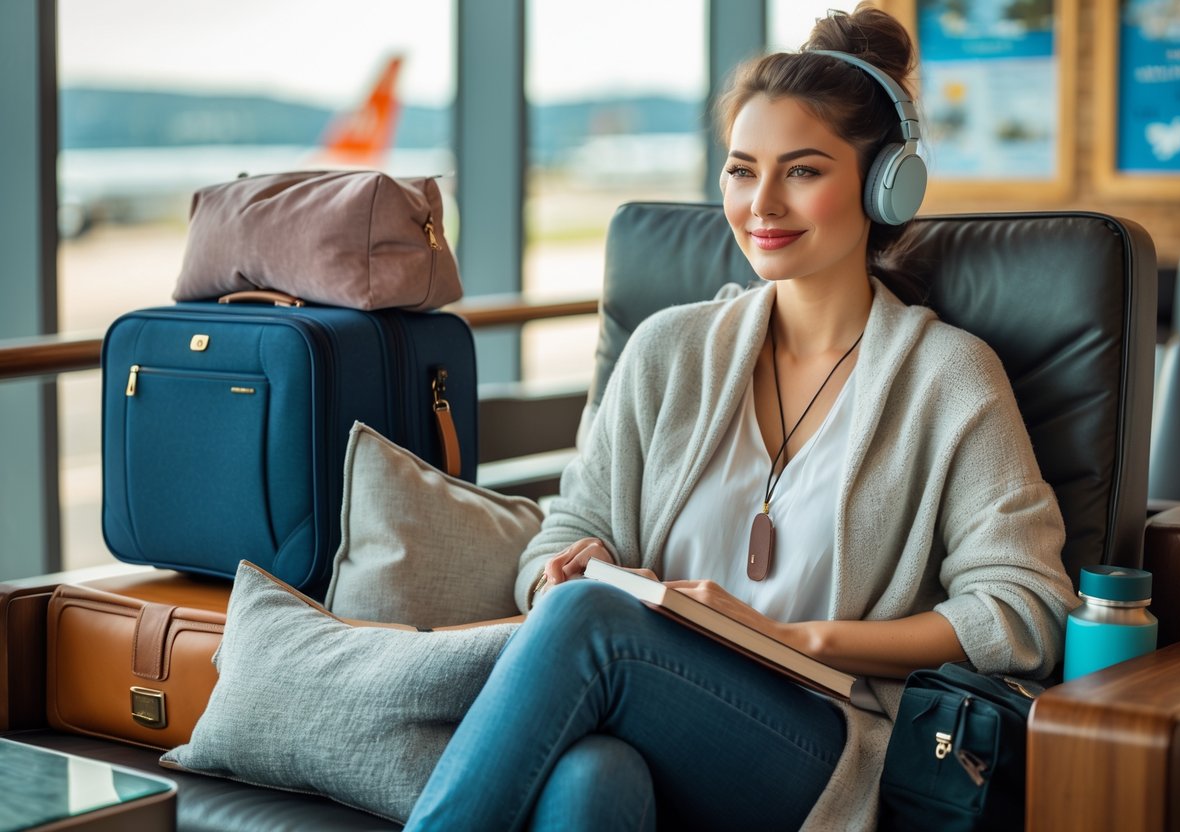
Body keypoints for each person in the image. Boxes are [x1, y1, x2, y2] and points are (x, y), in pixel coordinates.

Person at [404, 5, 1078, 830]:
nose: (762, 203)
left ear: (883, 184)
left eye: (800, 171)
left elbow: (1025, 609)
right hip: (657, 721)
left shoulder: (948, 378)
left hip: (824, 745)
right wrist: (559, 568)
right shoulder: (665, 351)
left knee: (588, 630)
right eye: (740, 169)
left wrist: (803, 640)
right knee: (590, 780)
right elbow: (564, 530)